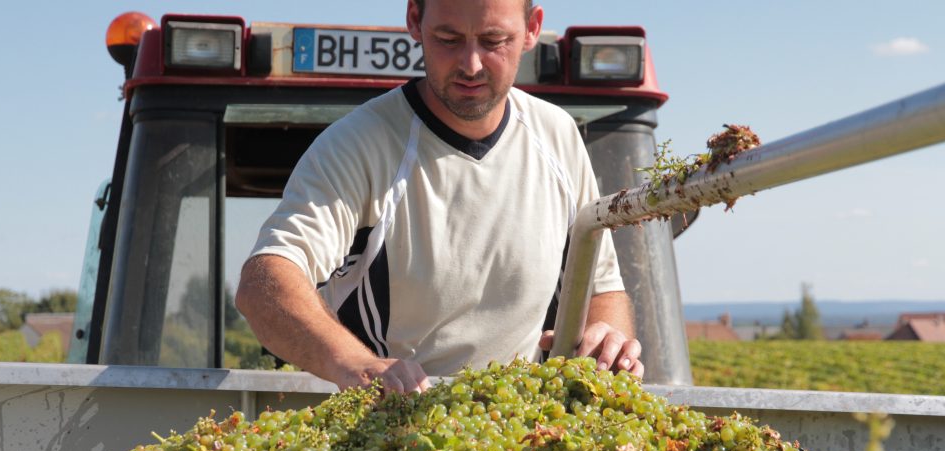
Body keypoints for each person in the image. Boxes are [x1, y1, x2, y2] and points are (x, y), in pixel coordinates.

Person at [235, 0, 643, 393]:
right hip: (386, 437)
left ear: (531, 29)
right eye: (448, 39)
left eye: (493, 40)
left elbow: (601, 287)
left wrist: (608, 338)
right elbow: (265, 282)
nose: (471, 64)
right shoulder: (357, 146)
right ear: (415, 19)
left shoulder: (558, 136)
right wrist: (355, 364)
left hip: (526, 440)